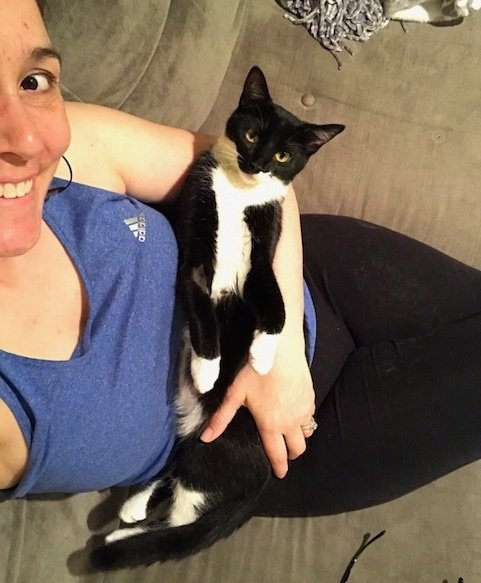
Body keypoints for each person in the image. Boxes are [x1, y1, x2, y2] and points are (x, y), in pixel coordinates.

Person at [1, 0, 481, 518]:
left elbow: (241, 167)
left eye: (34, 80)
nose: (27, 139)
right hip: (263, 447)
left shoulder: (70, 140)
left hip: (308, 273)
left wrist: (282, 353)